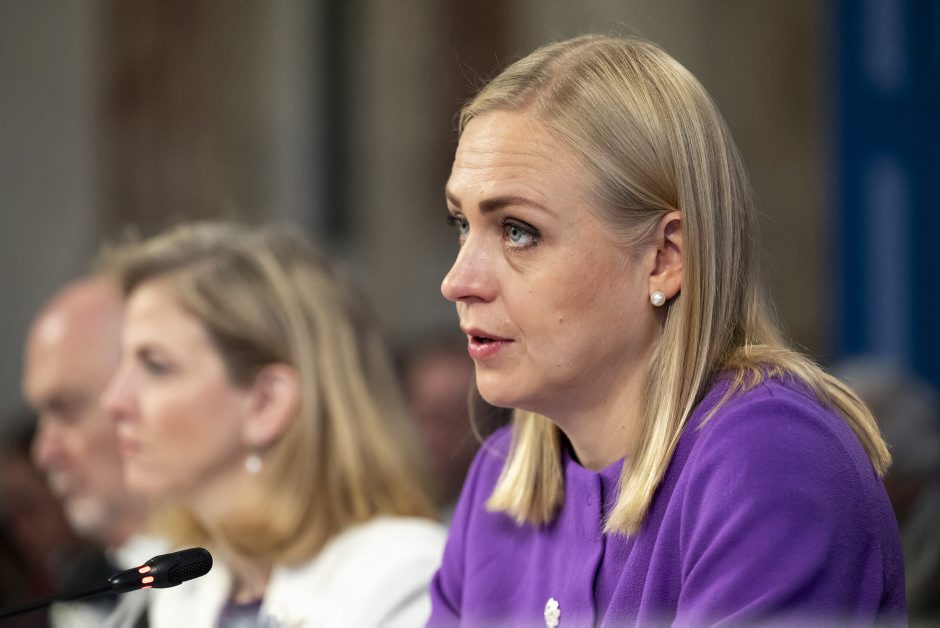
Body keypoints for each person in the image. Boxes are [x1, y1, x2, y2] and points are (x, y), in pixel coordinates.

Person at [430, 34, 905, 626]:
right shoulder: (498, 486)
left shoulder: (770, 459)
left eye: (517, 231)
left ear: (665, 258)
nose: (458, 281)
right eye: (461, 223)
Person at [101, 222, 446, 627]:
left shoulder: (402, 574)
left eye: (156, 366)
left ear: (267, 402)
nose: (114, 401)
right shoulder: (185, 583)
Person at [22, 276, 157, 626]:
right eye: (42, 418)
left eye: (66, 408)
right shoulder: (84, 597)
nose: (43, 453)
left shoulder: (256, 593)